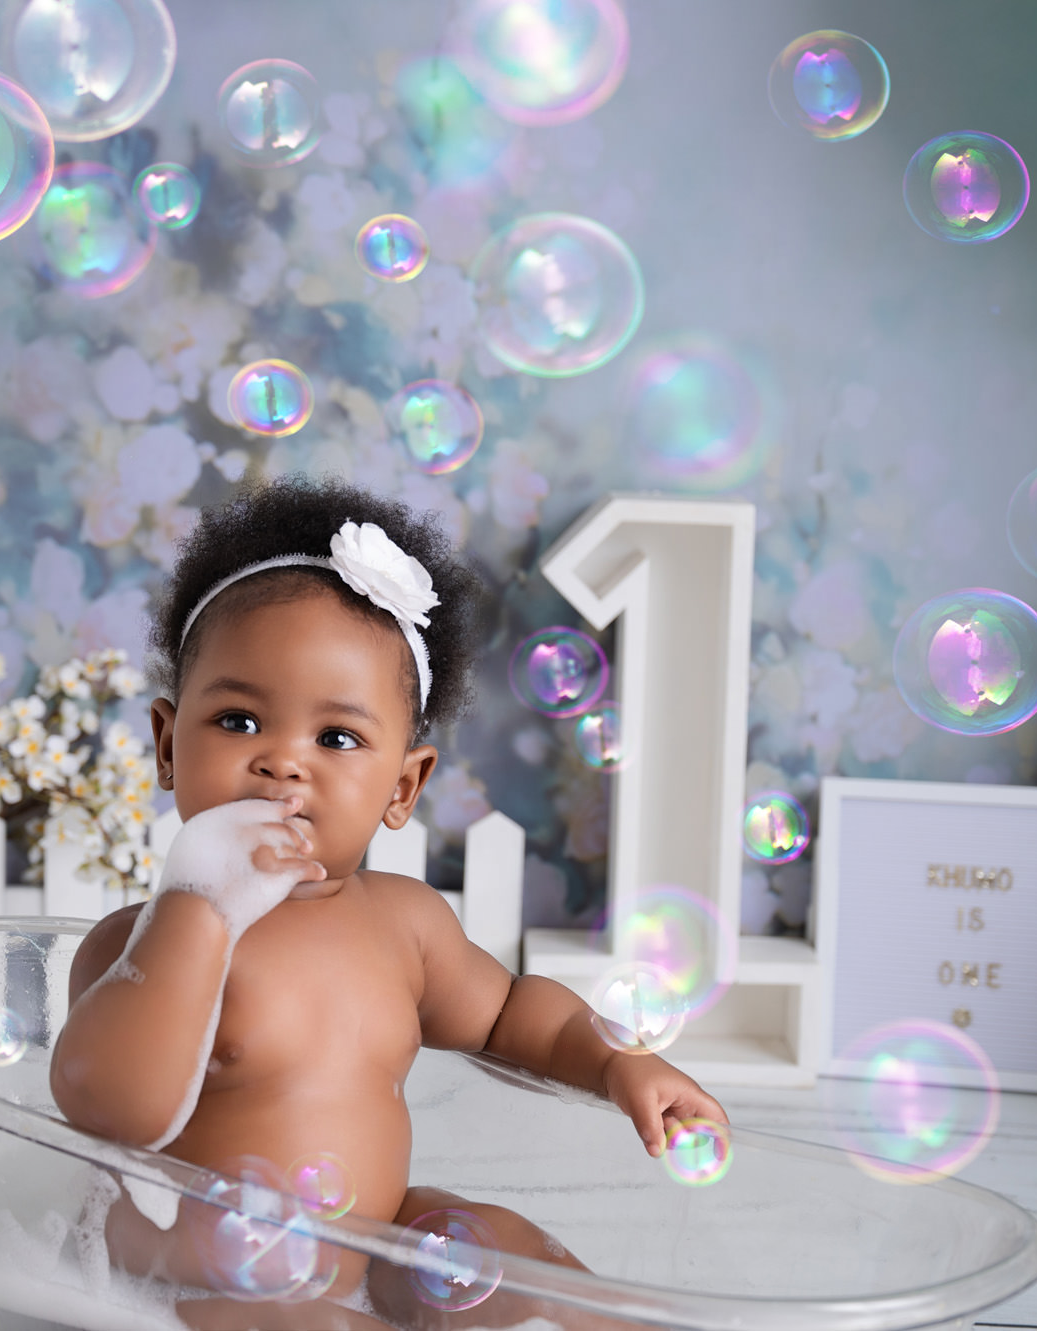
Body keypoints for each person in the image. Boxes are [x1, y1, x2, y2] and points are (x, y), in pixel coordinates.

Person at [51, 476, 727, 1329]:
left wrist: (615, 1061)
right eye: (237, 720)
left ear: (402, 785)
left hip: (367, 1245)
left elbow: (517, 1014)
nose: (283, 763)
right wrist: (197, 904)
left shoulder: (405, 925)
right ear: (165, 742)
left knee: (501, 1249)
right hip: (191, 1283)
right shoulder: (142, 943)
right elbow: (113, 1105)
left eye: (336, 737)